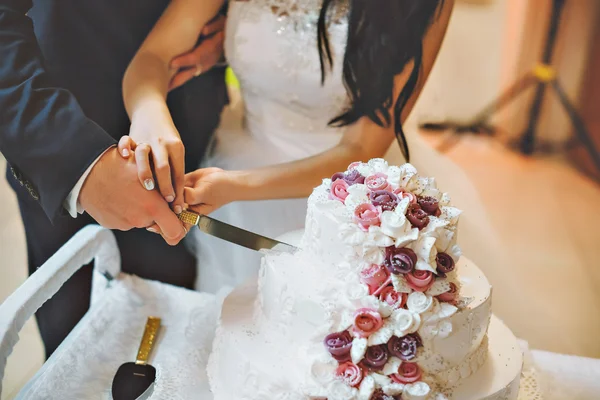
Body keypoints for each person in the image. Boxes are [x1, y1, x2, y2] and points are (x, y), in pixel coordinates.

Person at [118, 0, 454, 292]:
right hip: (236, 163)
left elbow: (360, 148)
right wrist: (150, 115)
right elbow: (154, 55)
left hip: (345, 198)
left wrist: (232, 186)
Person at [0, 1, 227, 357]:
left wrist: (236, 28)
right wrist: (80, 163)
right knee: (88, 355)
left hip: (207, 136)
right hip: (72, 136)